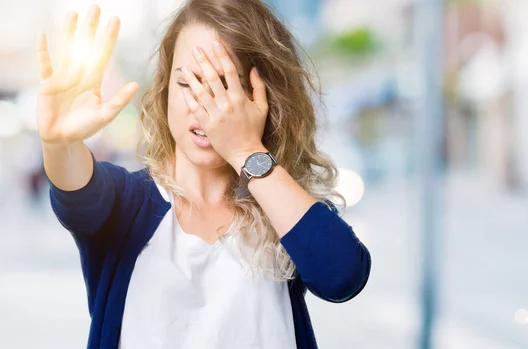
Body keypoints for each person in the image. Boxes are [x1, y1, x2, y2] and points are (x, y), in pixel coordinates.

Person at [35, 1, 371, 348]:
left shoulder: (279, 206)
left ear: (263, 99)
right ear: (165, 89)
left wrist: (246, 151)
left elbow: (342, 275)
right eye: (188, 83)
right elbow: (76, 190)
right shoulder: (125, 202)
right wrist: (58, 142)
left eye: (226, 86)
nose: (204, 104)